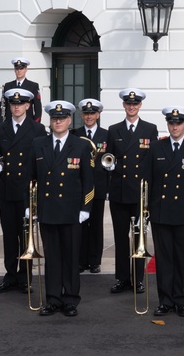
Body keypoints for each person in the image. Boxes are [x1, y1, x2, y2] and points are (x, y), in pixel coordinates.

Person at [27, 101, 94, 317]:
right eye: (55, 118)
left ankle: (71, 299)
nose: (58, 121)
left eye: (62, 118)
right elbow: (31, 177)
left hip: (72, 211)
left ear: (69, 120)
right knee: (52, 258)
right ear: (50, 120)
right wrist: (30, 206)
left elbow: (88, 181)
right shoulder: (39, 144)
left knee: (71, 257)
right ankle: (53, 299)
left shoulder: (81, 145)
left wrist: (86, 207)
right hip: (48, 211)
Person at [143, 106, 184, 318]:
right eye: (171, 123)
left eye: (178, 123)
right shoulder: (155, 148)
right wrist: (147, 210)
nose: (175, 126)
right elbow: (148, 182)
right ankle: (165, 301)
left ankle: (182, 300)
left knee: (181, 258)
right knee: (163, 260)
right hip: (161, 213)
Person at [0, 88, 46, 294]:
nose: (16, 107)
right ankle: (10, 275)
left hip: (26, 190)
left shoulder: (37, 129)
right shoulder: (0, 128)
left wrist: (38, 194)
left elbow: (41, 162)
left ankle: (25, 277)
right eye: (13, 104)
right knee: (9, 236)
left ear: (28, 106)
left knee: (26, 236)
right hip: (6, 190)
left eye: (20, 104)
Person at [105, 88, 156, 295]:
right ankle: (122, 278)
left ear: (140, 105)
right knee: (120, 238)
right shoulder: (113, 129)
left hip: (139, 194)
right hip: (119, 192)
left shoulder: (149, 129)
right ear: (124, 105)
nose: (131, 107)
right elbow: (108, 157)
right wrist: (109, 166)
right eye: (128, 104)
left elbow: (151, 161)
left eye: (135, 104)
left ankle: (138, 279)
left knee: (139, 238)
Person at [72, 99, 109, 275]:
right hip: (78, 187)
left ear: (98, 115)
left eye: (92, 113)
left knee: (95, 225)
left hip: (98, 186)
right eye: (86, 114)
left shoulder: (106, 135)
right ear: (81, 115)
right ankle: (80, 261)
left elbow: (111, 160)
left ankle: (94, 261)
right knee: (79, 225)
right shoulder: (74, 133)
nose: (89, 116)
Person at [3, 58, 43, 122]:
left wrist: (36, 124)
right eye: (17, 69)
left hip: (28, 122)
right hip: (10, 123)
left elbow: (37, 107)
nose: (19, 71)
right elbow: (5, 107)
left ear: (26, 69)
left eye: (21, 68)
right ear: (14, 70)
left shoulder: (33, 86)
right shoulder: (8, 86)